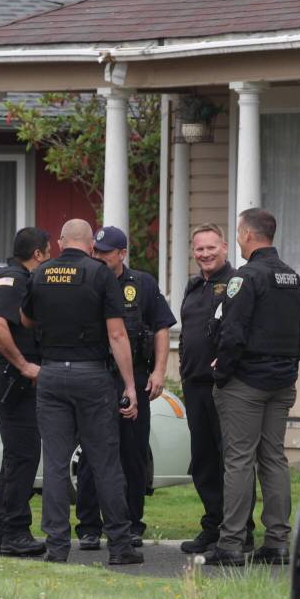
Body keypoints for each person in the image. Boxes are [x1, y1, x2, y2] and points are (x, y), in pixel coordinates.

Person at [20, 218, 143, 565]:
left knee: (56, 465)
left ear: (60, 242)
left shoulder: (40, 274)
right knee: (104, 462)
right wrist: (130, 385)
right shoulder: (100, 273)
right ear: (91, 245)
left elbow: (25, 319)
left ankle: (57, 548)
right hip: (92, 376)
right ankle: (120, 547)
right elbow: (118, 335)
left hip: (52, 373)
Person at [205, 209, 300, 566]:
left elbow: (232, 333)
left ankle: (232, 543)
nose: (237, 237)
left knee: (238, 461)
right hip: (280, 383)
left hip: (245, 383)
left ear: (249, 235)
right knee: (274, 459)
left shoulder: (246, 277)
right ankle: (278, 541)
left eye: (238, 232)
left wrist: (222, 373)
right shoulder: (291, 278)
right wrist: (285, 367)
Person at [74, 226, 176, 550]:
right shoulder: (86, 280)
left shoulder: (142, 284)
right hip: (95, 376)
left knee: (133, 454)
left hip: (135, 377)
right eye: (97, 251)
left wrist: (160, 371)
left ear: (122, 253)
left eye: (106, 252)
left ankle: (132, 524)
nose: (100, 257)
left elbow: (160, 328)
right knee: (91, 454)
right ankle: (89, 526)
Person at [177, 223, 255, 555]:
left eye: (211, 248)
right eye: (199, 249)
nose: (205, 254)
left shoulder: (237, 283)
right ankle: (213, 526)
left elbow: (244, 331)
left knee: (231, 461)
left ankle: (241, 532)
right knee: (204, 461)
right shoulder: (194, 286)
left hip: (226, 386)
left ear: (224, 247)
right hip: (194, 385)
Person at [0, 227, 51, 557]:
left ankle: (2, 533)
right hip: (13, 378)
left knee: (16, 456)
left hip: (16, 378)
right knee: (24, 455)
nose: (49, 258)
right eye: (47, 252)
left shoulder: (18, 278)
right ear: (37, 254)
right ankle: (15, 532)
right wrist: (25, 365)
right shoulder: (13, 278)